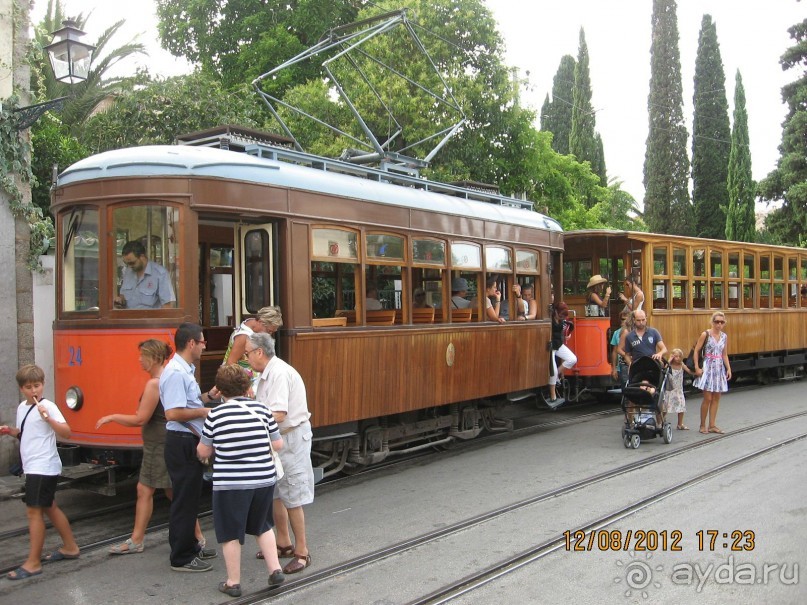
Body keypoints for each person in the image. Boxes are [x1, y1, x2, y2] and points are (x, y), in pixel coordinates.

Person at [96, 339, 205, 555]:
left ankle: (138, 540)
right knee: (174, 492)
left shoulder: (155, 383)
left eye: (142, 356)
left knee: (147, 490)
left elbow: (140, 418)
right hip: (163, 442)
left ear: (154, 358)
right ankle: (197, 536)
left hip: (158, 444)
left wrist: (112, 416)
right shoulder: (168, 376)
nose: (139, 360)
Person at [198, 364, 286, 598]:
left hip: (231, 484)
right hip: (263, 479)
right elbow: (278, 445)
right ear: (247, 387)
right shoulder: (263, 410)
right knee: (263, 524)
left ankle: (233, 583)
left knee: (230, 532)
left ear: (221, 390)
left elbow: (204, 451)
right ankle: (275, 569)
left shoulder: (215, 415)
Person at [1, 365, 80, 580]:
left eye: (37, 385)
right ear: (21, 389)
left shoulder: (48, 406)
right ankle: (70, 547)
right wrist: (11, 432)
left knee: (34, 512)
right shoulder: (22, 408)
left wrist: (49, 419)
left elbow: (67, 432)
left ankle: (33, 563)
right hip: (33, 465)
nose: (34, 390)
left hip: (43, 466)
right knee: (49, 507)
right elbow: (26, 433)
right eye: (28, 387)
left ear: (43, 384)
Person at [247, 332, 314, 575]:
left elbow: (278, 414)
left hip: (290, 437)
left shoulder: (277, 373)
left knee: (292, 495)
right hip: (279, 438)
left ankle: (302, 552)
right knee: (277, 492)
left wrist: (248, 418)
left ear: (259, 352)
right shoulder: (267, 373)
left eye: (247, 353)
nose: (246, 358)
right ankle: (283, 543)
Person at [160, 322, 219, 572]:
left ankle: (191, 546)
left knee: (190, 497)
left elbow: (187, 403)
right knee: (184, 500)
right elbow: (173, 412)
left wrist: (209, 396)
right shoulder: (175, 372)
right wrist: (205, 411)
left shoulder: (185, 369)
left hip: (187, 440)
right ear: (192, 343)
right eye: (203, 341)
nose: (205, 345)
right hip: (181, 442)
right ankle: (181, 557)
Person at [693, 311, 732, 435]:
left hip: (719, 368)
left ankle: (712, 425)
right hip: (708, 367)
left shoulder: (724, 336)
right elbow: (696, 351)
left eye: (721, 322)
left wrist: (728, 368)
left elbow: (724, 354)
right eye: (717, 322)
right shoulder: (706, 334)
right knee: (707, 398)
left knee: (716, 397)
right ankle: (702, 425)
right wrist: (697, 367)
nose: (719, 324)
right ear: (712, 322)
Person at [114, 241, 176, 309]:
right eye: (126, 263)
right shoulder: (128, 271)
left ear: (142, 256)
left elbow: (168, 306)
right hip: (128, 318)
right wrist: (120, 301)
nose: (129, 266)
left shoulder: (160, 274)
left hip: (150, 319)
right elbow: (123, 295)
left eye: (132, 263)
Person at [547, 302, 577, 407]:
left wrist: (566, 336)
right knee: (553, 370)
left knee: (572, 359)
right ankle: (553, 396)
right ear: (555, 311)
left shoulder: (562, 319)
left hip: (558, 344)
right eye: (560, 316)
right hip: (551, 346)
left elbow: (564, 329)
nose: (562, 318)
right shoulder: (549, 318)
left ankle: (556, 377)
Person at [663, 348, 694, 430]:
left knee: (681, 406)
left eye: (679, 356)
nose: (677, 358)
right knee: (665, 406)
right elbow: (664, 369)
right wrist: (669, 360)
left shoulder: (681, 365)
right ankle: (662, 420)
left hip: (678, 389)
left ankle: (680, 424)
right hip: (670, 389)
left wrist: (697, 372)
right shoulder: (669, 365)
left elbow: (689, 371)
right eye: (675, 356)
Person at [610, 311, 631, 385]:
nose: (624, 321)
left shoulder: (633, 332)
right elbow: (615, 351)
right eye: (622, 319)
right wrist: (614, 368)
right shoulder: (616, 333)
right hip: (621, 366)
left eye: (626, 319)